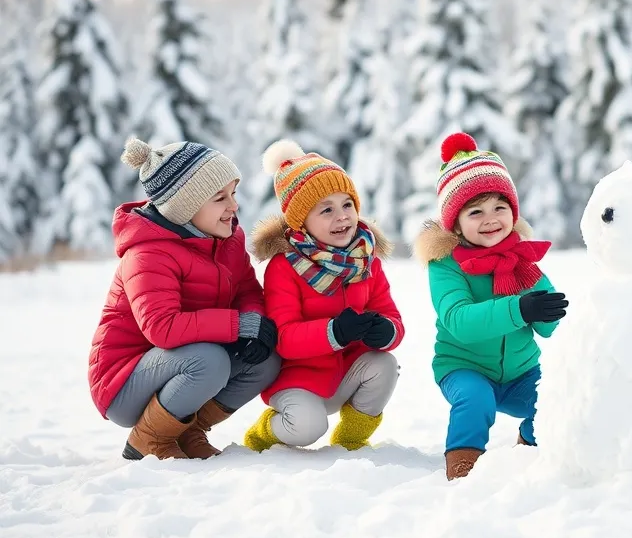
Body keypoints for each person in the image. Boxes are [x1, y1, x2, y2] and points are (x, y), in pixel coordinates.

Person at [89, 137, 280, 460]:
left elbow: (247, 289)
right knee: (209, 361)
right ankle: (149, 440)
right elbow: (162, 327)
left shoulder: (228, 238)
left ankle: (187, 431)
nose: (233, 206)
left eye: (233, 194)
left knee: (265, 360)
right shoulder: (148, 253)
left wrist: (255, 324)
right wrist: (238, 325)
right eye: (220, 198)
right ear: (186, 207)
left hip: (184, 363)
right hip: (123, 382)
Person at [414, 133, 568, 480]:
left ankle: (531, 451)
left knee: (556, 397)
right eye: (476, 211)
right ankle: (463, 470)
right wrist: (520, 309)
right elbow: (458, 321)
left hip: (521, 371)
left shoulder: (521, 258)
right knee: (475, 400)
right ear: (455, 222)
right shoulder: (446, 265)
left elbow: (549, 327)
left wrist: (545, 307)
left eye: (500, 207)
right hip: (464, 367)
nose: (491, 219)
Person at [242, 141, 403, 453]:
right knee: (307, 427)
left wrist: (387, 331)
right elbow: (284, 337)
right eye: (326, 210)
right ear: (301, 221)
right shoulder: (284, 267)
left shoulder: (366, 259)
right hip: (299, 378)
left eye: (347, 205)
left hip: (346, 372)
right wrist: (334, 332)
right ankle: (265, 432)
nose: (342, 217)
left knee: (384, 364)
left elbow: (391, 315)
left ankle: (351, 440)